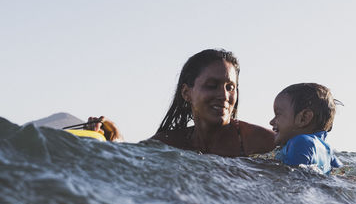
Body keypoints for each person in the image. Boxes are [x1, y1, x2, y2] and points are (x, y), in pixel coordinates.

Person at [87, 49, 276, 157]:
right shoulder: (169, 143)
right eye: (212, 85)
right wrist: (115, 141)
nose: (223, 95)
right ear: (187, 93)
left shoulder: (261, 141)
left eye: (230, 87)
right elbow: (133, 163)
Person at [269, 83, 342, 174]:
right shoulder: (328, 150)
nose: (271, 121)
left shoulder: (300, 142)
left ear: (304, 118)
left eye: (278, 114)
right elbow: (342, 174)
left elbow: (293, 177)